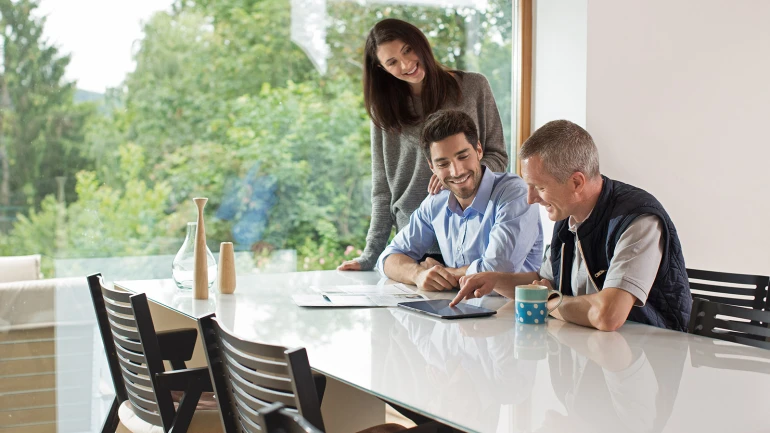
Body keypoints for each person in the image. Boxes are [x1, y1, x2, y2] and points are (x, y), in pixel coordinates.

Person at [451, 120, 692, 332]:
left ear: (576, 182)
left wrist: (548, 301)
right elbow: (543, 282)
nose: (530, 199)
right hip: (591, 351)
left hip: (652, 356)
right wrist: (495, 280)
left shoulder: (637, 219)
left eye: (540, 187)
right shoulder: (567, 216)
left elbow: (608, 316)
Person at [338, 18, 508, 272]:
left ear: (421, 42)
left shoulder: (473, 87)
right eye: (392, 62)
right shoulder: (383, 111)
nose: (406, 64)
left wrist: (456, 174)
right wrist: (371, 254)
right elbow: (383, 188)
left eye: (408, 50)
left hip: (473, 236)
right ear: (381, 68)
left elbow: (497, 156)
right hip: (413, 244)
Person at [377, 110, 542, 290]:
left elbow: (496, 272)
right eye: (443, 164)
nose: (456, 171)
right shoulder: (436, 203)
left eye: (463, 156)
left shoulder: (514, 194)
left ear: (479, 150)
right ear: (432, 166)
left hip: (513, 311)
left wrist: (444, 273)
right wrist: (418, 274)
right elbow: (388, 258)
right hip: (460, 310)